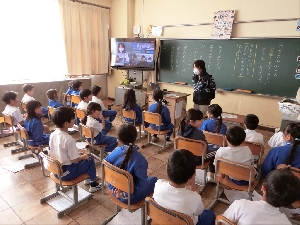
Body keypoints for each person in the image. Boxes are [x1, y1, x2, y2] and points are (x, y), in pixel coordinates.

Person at [153, 149, 215, 225]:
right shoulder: (194, 198)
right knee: (210, 214)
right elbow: (199, 212)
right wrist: (192, 185)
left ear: (167, 167)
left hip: (163, 220)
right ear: (193, 174)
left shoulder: (158, 184)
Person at [49, 106, 102, 193]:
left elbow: (61, 151)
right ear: (66, 123)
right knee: (89, 159)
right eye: (73, 118)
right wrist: (83, 156)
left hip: (56, 170)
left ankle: (89, 177)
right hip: (66, 173)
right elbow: (74, 160)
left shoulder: (53, 134)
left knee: (84, 157)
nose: (74, 120)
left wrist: (78, 154)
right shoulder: (69, 139)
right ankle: (93, 184)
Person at [223, 168, 300, 225]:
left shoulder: (240, 205)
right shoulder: (286, 223)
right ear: (291, 202)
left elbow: (222, 222)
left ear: (263, 188)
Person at [105, 124, 157, 204]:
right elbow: (141, 187)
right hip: (129, 198)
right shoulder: (140, 160)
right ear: (136, 136)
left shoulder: (115, 152)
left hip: (113, 190)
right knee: (154, 180)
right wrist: (123, 194)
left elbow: (106, 166)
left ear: (119, 140)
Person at [177, 108, 216, 178]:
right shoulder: (199, 134)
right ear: (191, 122)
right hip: (195, 160)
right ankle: (211, 175)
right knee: (216, 152)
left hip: (182, 157)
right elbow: (205, 149)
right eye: (200, 120)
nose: (202, 121)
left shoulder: (180, 130)